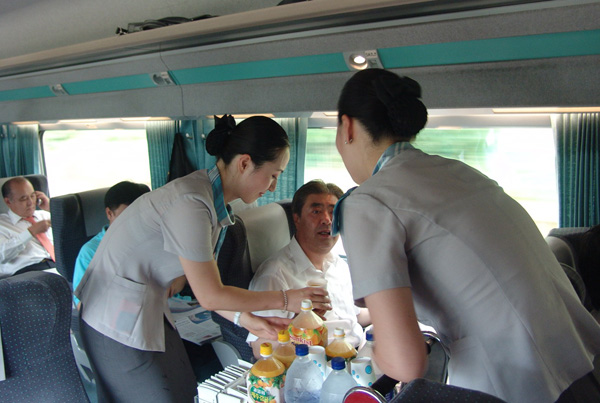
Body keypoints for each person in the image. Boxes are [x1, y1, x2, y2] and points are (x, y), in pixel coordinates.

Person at [332, 68, 600, 403]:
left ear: (347, 127)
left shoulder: (366, 201)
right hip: (584, 362)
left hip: (518, 384)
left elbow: (405, 362)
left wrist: (373, 352)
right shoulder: (462, 173)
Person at [74, 115, 330, 403]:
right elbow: (210, 295)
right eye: (273, 175)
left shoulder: (210, 201)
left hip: (145, 306)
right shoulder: (192, 202)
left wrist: (245, 318)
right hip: (112, 315)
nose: (273, 186)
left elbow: (203, 286)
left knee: (184, 389)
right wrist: (286, 299)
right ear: (244, 163)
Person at [247, 179, 370, 358]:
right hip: (321, 364)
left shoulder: (339, 265)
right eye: (316, 212)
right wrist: (300, 326)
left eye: (333, 212)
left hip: (359, 352)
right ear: (297, 219)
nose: (327, 220)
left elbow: (354, 317)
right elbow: (260, 348)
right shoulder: (275, 274)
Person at [72, 181, 150, 306]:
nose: (133, 222)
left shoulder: (153, 239)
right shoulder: (91, 252)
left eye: (138, 215)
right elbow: (83, 305)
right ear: (109, 213)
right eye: (126, 216)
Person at [0, 176, 54, 278]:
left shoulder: (47, 214)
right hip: (27, 272)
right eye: (23, 199)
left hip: (56, 265)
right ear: (8, 201)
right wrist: (30, 232)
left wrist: (52, 208)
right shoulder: (2, 224)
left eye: (32, 196)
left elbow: (75, 234)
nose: (30, 203)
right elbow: (2, 255)